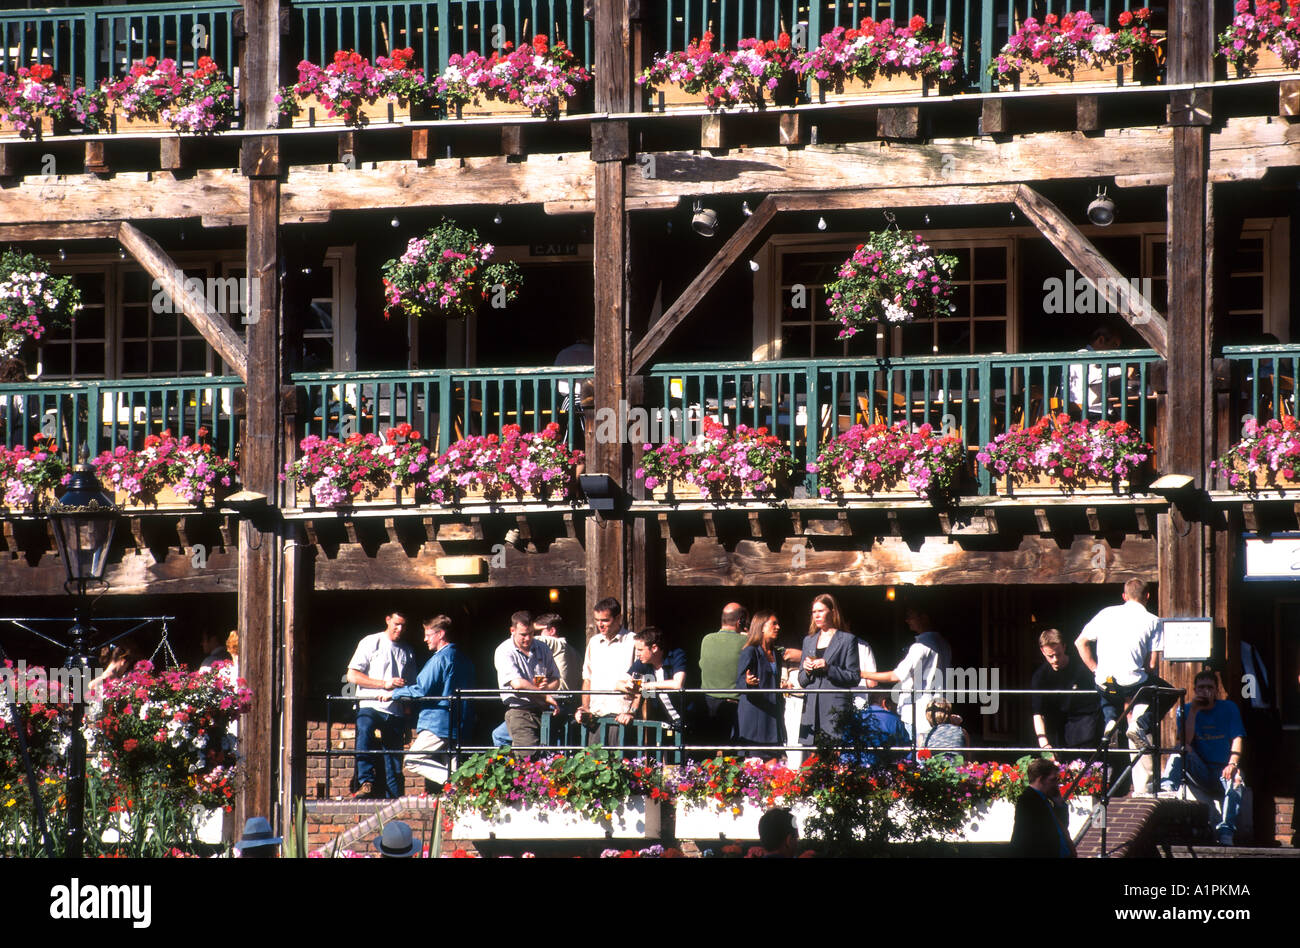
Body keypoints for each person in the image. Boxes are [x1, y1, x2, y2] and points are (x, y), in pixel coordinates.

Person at [1075, 579, 1174, 752]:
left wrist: (1095, 669)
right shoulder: (1153, 621)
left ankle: (1110, 722)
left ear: (1124, 596)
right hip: (1132, 684)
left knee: (1107, 687)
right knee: (1169, 693)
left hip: (1104, 681)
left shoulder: (1105, 613)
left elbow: (1080, 642)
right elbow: (1151, 663)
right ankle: (1140, 725)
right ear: (1148, 596)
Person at [1160, 670, 1247, 846]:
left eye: (1209, 687)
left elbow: (1237, 738)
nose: (1205, 691)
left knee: (1237, 779)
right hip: (1200, 769)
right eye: (1201, 688)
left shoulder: (1228, 708)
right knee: (1182, 749)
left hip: (1222, 769)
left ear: (1216, 691)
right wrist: (1193, 711)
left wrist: (1232, 763)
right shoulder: (1185, 710)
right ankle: (1166, 789)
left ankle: (1226, 831)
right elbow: (1185, 741)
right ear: (1195, 690)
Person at [389, 615, 475, 790]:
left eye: (428, 634)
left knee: (413, 760)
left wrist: (394, 694)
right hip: (461, 722)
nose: (425, 639)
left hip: (438, 721)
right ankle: (459, 791)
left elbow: (421, 690)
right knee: (453, 764)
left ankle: (457, 782)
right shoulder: (465, 659)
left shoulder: (440, 659)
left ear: (441, 634)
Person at [345, 612, 414, 799]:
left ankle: (394, 799)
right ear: (387, 620)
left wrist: (407, 720)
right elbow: (352, 675)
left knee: (393, 759)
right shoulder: (371, 642)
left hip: (395, 711)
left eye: (404, 626)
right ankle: (365, 781)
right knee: (364, 731)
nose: (400, 629)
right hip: (370, 703)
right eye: (397, 624)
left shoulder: (407, 651)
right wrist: (384, 684)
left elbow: (410, 688)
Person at [863, 605, 951, 741]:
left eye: (911, 616)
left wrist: (862, 674)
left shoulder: (921, 646)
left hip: (918, 712)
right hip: (939, 709)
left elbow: (896, 675)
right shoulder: (943, 644)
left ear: (924, 618)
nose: (907, 620)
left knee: (917, 755)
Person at [494, 610, 561, 755]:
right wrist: (544, 695)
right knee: (527, 760)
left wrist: (546, 688)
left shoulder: (542, 647)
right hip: (520, 710)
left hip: (544, 710)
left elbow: (556, 680)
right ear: (512, 631)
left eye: (531, 633)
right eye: (523, 634)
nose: (528, 638)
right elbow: (517, 684)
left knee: (552, 758)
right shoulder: (504, 650)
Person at [797, 594, 860, 745]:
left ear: (832, 612)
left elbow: (854, 677)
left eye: (821, 611)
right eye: (814, 612)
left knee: (835, 759)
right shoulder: (808, 640)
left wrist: (828, 668)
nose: (816, 615)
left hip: (834, 708)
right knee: (811, 761)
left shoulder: (847, 639)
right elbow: (801, 680)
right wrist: (806, 671)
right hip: (811, 709)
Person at [1030, 628, 1103, 751]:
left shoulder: (1083, 668)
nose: (1055, 659)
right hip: (1057, 723)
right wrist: (1044, 744)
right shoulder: (1040, 677)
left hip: (1086, 720)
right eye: (1050, 656)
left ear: (1064, 647)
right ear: (1042, 651)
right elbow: (1038, 713)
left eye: (1058, 654)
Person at [575, 597, 636, 741]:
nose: (600, 625)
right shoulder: (594, 642)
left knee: (619, 762)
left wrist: (633, 712)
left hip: (620, 717)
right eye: (597, 620)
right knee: (593, 761)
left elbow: (644, 681)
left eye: (605, 620)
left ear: (618, 618)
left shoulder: (632, 641)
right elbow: (587, 678)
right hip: (595, 717)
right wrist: (585, 707)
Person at [615, 626, 690, 735]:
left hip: (691, 720)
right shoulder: (643, 662)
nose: (637, 653)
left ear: (654, 648)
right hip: (668, 724)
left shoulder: (676, 655)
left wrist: (646, 686)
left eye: (640, 649)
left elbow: (677, 684)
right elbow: (618, 684)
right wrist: (629, 686)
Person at [735, 610, 787, 758]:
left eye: (778, 624)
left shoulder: (776, 653)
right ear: (761, 627)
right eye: (773, 624)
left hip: (773, 715)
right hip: (755, 718)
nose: (778, 627)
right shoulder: (750, 651)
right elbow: (738, 682)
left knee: (774, 767)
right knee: (754, 771)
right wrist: (747, 682)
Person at [698, 602, 749, 748]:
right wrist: (750, 635)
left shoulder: (706, 639)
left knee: (708, 754)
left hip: (707, 703)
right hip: (734, 705)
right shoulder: (746, 641)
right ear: (741, 621)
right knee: (732, 755)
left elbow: (702, 665)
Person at [1010, 757, 1076, 858]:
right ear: (1041, 779)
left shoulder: (1044, 800)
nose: (1056, 784)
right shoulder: (1028, 800)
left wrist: (1059, 804)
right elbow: (1031, 839)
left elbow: (1062, 827)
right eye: (1053, 780)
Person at [534, 613, 581, 708]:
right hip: (569, 703)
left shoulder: (557, 644)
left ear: (552, 631)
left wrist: (523, 629)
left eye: (538, 631)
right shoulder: (575, 652)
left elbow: (529, 640)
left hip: (556, 700)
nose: (533, 634)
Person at [849, 693, 910, 768]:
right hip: (886, 766)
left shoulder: (856, 717)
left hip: (858, 766)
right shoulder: (894, 720)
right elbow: (905, 746)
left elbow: (847, 742)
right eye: (893, 704)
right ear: (885, 703)